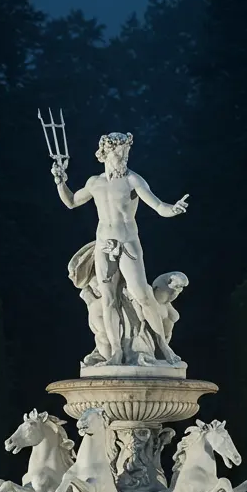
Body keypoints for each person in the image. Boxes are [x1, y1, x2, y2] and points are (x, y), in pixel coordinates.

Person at [52, 132, 189, 366]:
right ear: (106, 153)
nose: (124, 158)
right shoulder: (95, 183)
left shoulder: (133, 180)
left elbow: (157, 205)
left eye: (126, 153)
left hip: (127, 244)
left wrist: (172, 209)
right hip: (104, 245)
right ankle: (115, 351)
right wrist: (60, 182)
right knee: (108, 300)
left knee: (143, 296)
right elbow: (72, 201)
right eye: (119, 153)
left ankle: (163, 347)